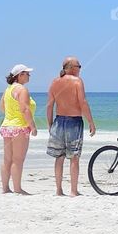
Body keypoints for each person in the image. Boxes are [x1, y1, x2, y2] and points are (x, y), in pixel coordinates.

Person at [45, 57, 96, 196]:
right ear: (72, 67)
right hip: (74, 122)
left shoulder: (54, 82)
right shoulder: (77, 81)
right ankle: (73, 190)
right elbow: (83, 103)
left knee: (59, 157)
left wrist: (50, 124)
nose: (80, 69)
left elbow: (50, 105)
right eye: (78, 66)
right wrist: (91, 122)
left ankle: (59, 190)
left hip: (59, 121)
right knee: (74, 157)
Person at [0, 64, 38, 194]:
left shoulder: (8, 90)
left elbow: (1, 108)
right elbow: (25, 109)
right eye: (27, 73)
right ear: (20, 75)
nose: (29, 76)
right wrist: (32, 125)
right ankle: (17, 188)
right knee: (18, 159)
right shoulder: (22, 90)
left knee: (7, 159)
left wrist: (12, 114)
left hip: (7, 126)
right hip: (19, 127)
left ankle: (5, 188)